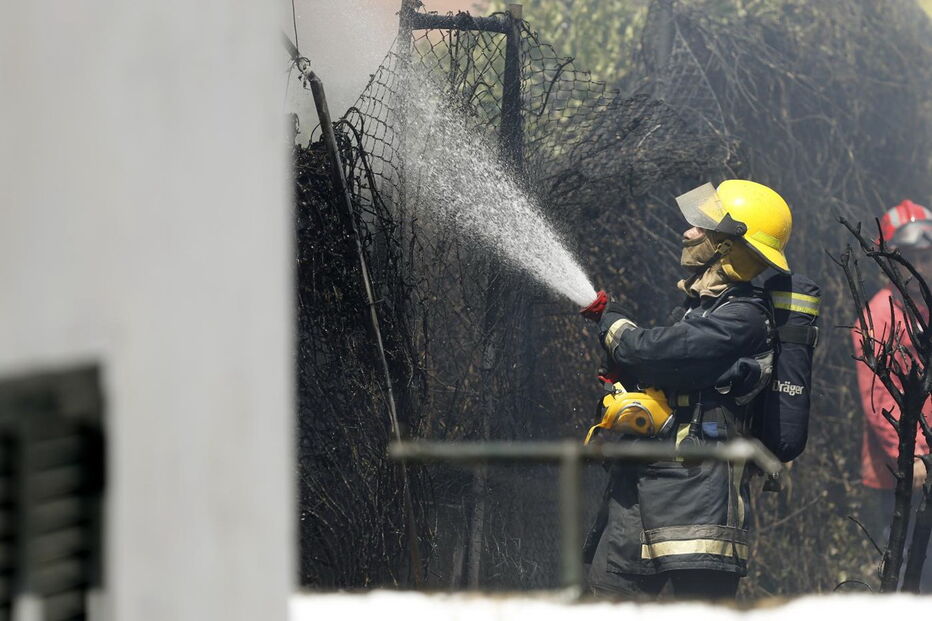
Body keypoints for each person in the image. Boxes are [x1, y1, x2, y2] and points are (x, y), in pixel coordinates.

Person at [580, 179, 793, 600]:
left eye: (702, 227)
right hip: (645, 490)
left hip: (699, 502)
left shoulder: (744, 318)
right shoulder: (701, 310)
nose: (688, 232)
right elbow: (676, 373)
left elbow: (657, 350)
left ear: (726, 246)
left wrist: (614, 326)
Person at [853, 199, 932, 592]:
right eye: (909, 257)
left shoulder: (925, 309)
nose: (919, 266)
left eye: (926, 257)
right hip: (903, 473)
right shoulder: (879, 317)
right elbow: (881, 400)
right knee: (907, 574)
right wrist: (914, 455)